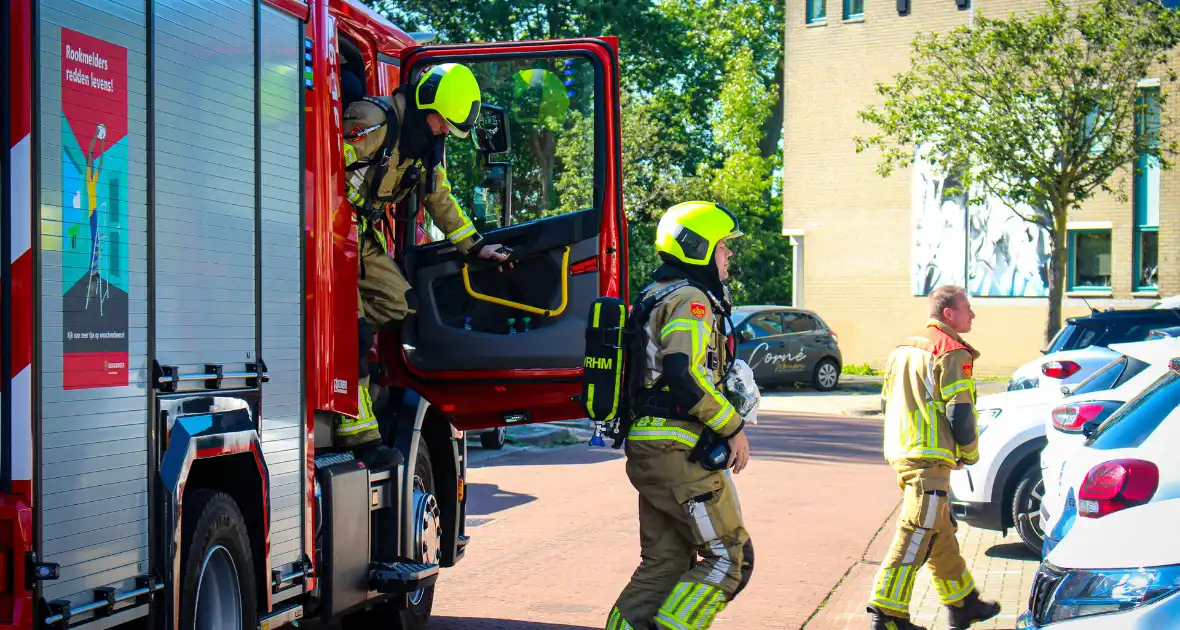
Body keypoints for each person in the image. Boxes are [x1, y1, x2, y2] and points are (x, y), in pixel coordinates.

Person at [335, 63, 511, 469]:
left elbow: (439, 200)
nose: (445, 131)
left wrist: (475, 246)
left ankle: (363, 379)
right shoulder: (372, 121)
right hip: (330, 233)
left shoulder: (424, 147)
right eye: (443, 122)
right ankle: (358, 428)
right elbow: (317, 169)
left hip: (360, 235)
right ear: (425, 103)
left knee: (399, 305)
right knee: (353, 328)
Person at [605, 201, 754, 630]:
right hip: (678, 448)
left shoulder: (655, 294)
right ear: (699, 247)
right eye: (723, 247)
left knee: (664, 564)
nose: (728, 257)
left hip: (652, 446)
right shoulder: (690, 299)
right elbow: (683, 371)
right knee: (730, 558)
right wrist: (733, 426)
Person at [867, 285, 1001, 630]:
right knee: (915, 534)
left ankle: (964, 603)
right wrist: (968, 455)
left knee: (940, 533)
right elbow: (961, 413)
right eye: (966, 309)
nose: (972, 315)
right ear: (948, 314)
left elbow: (886, 403)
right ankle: (887, 614)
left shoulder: (903, 350)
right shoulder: (952, 352)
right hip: (929, 462)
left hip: (905, 453)